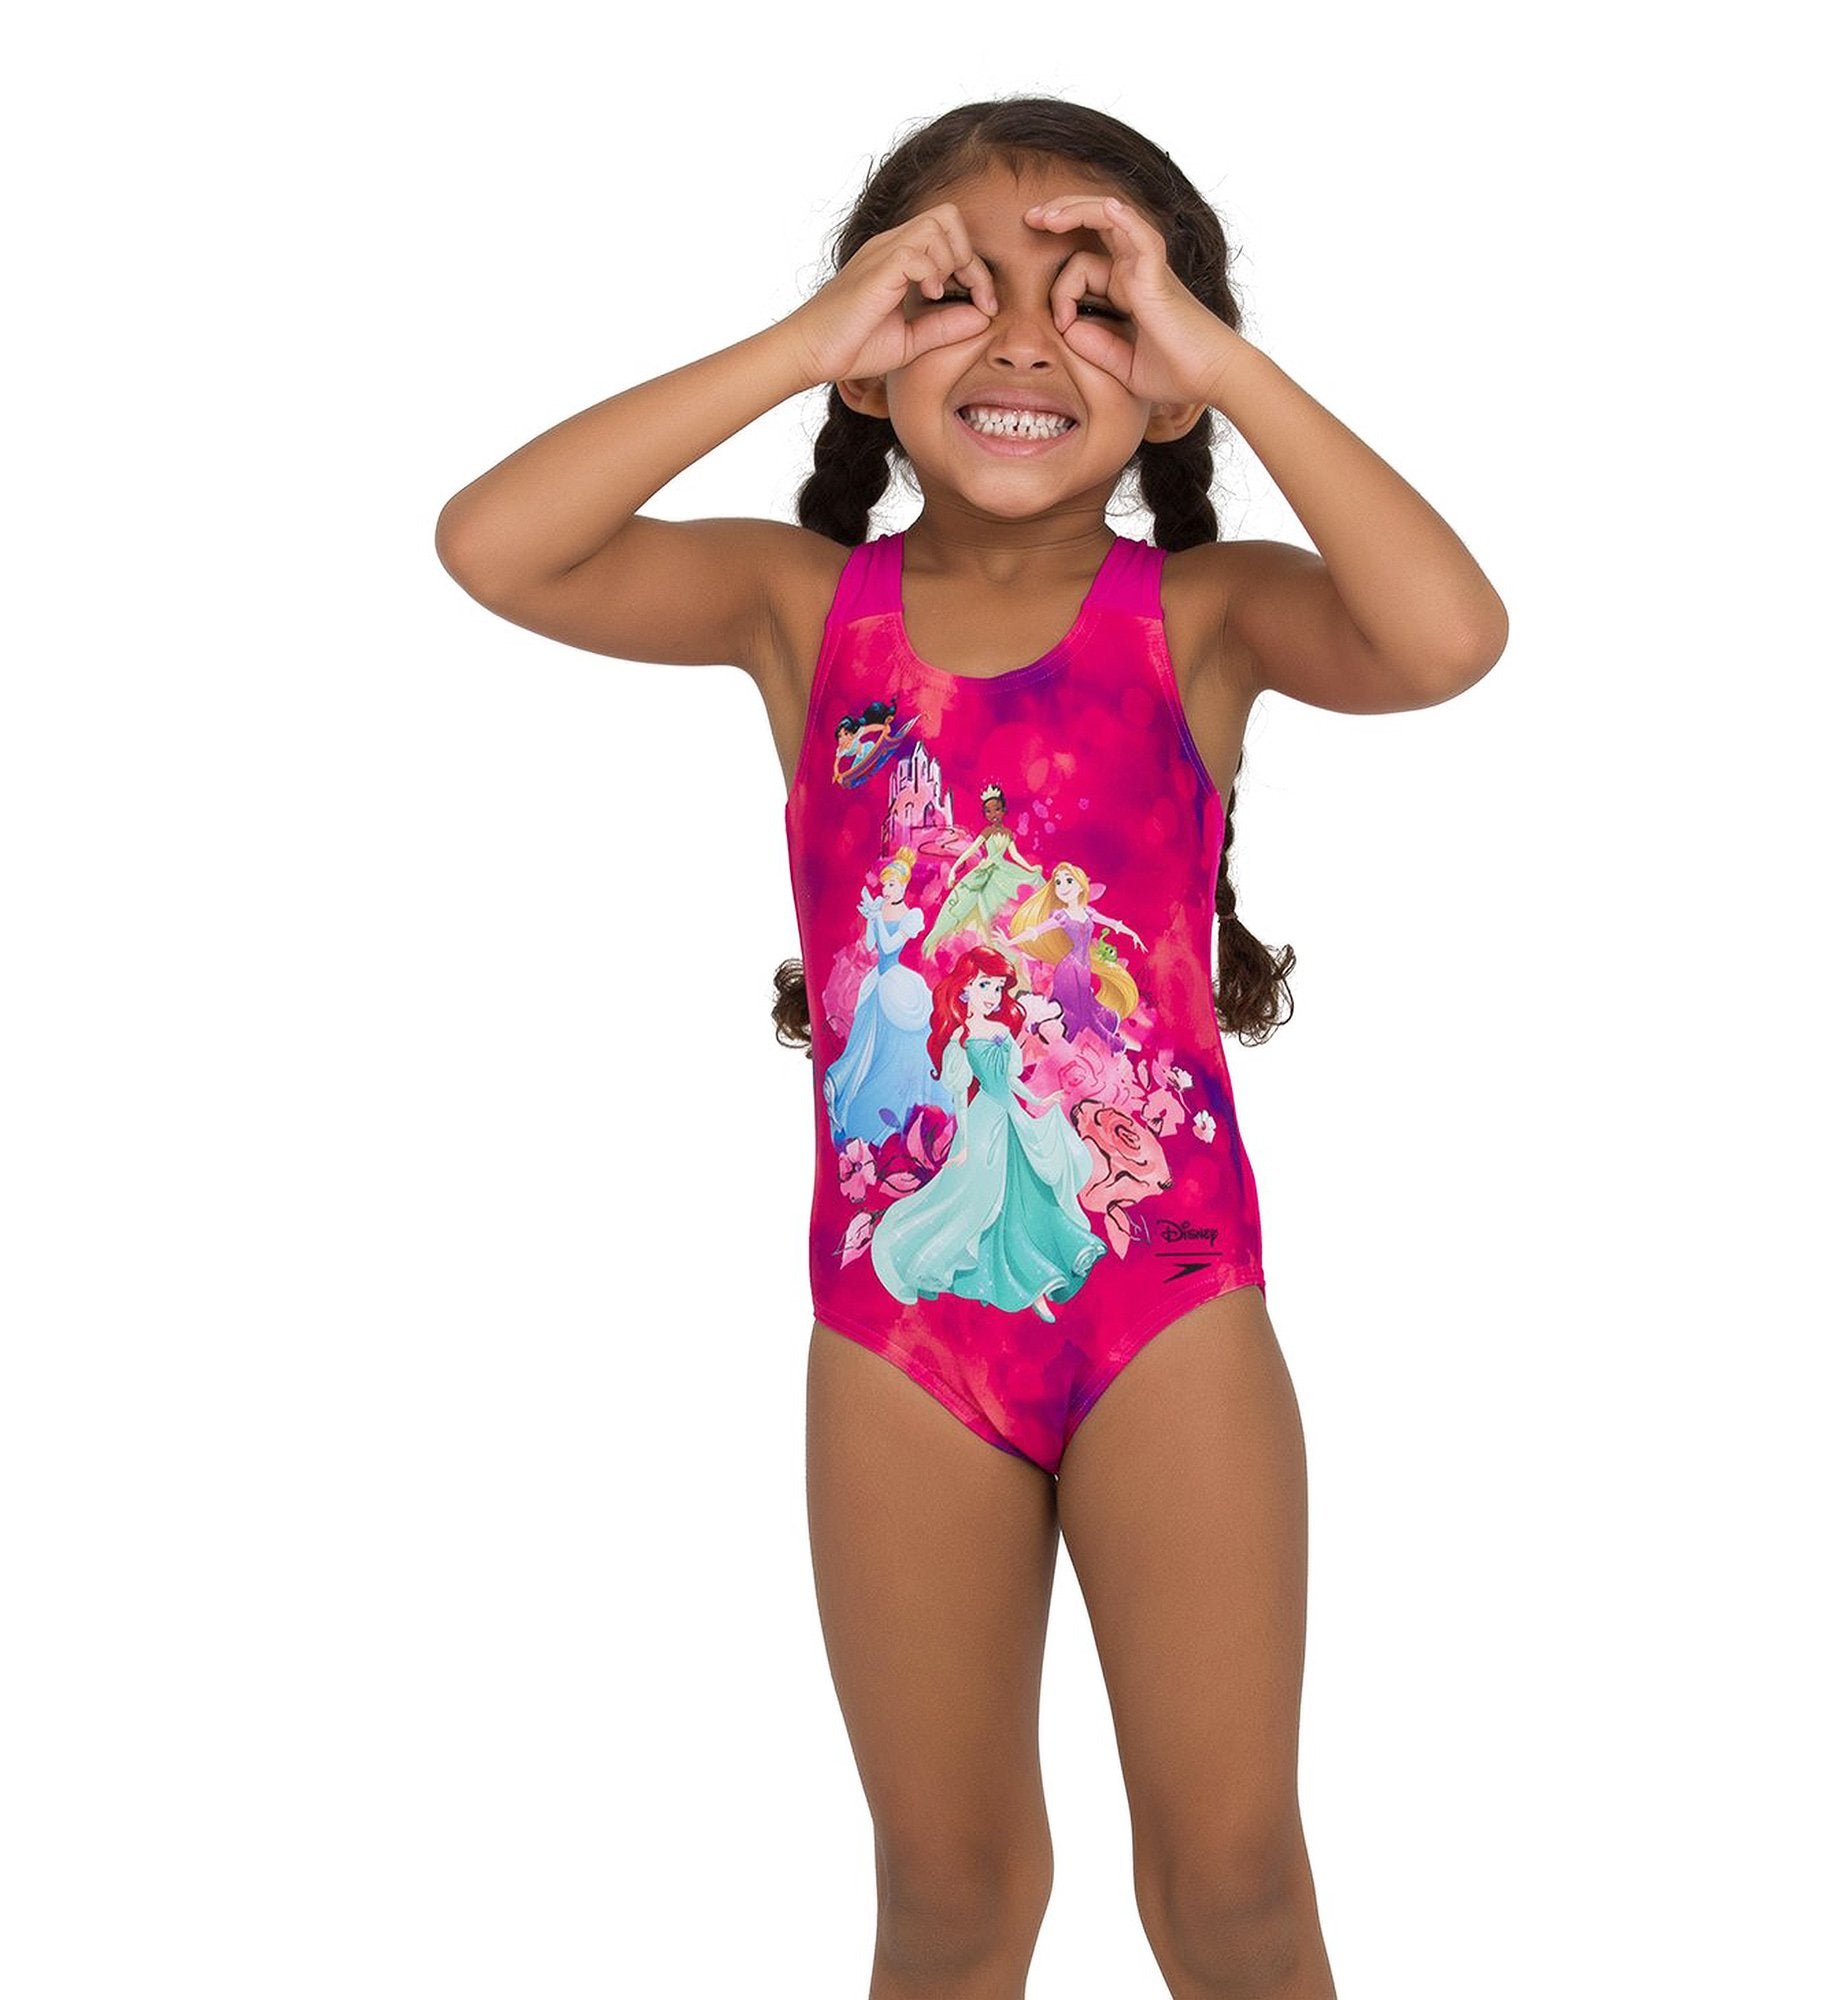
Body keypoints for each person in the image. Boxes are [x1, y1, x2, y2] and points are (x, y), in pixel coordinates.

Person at [436, 93, 1505, 2000]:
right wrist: (798, 344)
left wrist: (1228, 365)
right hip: (898, 1336)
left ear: (1165, 376)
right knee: (946, 1899)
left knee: (1235, 1890)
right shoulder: (802, 610)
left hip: (1166, 1310)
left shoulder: (1202, 617)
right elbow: (494, 545)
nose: (1021, 346)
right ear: (874, 349)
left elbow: (1447, 638)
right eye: (956, 296)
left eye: (1093, 307)